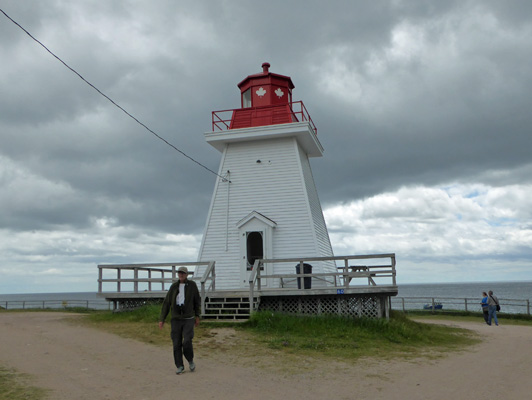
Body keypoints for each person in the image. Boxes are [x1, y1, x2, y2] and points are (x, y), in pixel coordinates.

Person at [159, 266, 201, 374]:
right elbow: (167, 303)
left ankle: (190, 360)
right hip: (176, 318)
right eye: (179, 273)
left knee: (187, 341)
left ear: (187, 274)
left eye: (183, 273)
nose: (181, 275)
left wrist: (197, 315)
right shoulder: (174, 287)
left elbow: (197, 301)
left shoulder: (192, 285)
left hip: (188, 318)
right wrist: (162, 319)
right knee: (176, 342)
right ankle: (180, 366)